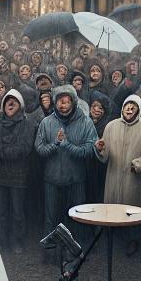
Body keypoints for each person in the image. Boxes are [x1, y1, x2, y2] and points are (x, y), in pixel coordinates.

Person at [35, 85, 98, 255]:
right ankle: (49, 254)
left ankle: (76, 254)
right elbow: (39, 149)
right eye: (59, 102)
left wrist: (68, 146)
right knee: (51, 218)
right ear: (55, 103)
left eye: (67, 101)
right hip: (52, 179)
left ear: (74, 101)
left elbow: (90, 150)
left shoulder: (86, 122)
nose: (63, 105)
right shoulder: (46, 122)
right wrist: (55, 145)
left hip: (76, 179)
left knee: (77, 218)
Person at [0, 89, 35, 250]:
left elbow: (24, 149)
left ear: (20, 105)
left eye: (14, 101)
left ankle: (17, 241)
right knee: (0, 212)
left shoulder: (27, 123)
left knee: (17, 212)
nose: (10, 103)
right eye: (8, 101)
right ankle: (2, 241)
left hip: (18, 175)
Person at [94, 93, 141, 210]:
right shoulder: (111, 126)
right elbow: (105, 155)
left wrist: (138, 164)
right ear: (122, 107)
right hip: (113, 178)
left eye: (133, 107)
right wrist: (100, 149)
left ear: (139, 110)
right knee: (112, 214)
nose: (129, 109)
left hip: (134, 180)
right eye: (127, 106)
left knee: (131, 214)